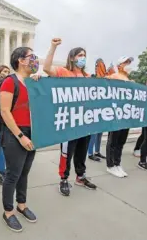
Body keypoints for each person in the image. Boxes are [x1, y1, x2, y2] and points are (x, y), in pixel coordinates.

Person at [43, 38, 97, 196]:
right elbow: (46, 68)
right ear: (72, 57)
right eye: (80, 55)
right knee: (67, 152)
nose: (83, 57)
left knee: (82, 151)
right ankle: (64, 179)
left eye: (84, 55)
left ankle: (80, 176)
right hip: (69, 122)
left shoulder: (87, 77)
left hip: (85, 121)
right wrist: (53, 46)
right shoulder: (63, 72)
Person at [0, 47, 39, 232]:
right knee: (12, 174)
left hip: (32, 132)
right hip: (15, 133)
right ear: (20, 60)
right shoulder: (9, 82)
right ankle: (8, 211)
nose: (34, 60)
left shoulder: (32, 82)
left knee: (24, 172)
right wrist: (21, 136)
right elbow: (5, 112)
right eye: (31, 57)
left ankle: (21, 205)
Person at [105, 56, 134, 178]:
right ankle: (110, 165)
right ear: (119, 65)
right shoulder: (113, 77)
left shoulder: (128, 79)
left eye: (129, 62)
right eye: (126, 62)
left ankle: (117, 163)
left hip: (126, 114)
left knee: (121, 141)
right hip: (115, 114)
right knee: (113, 141)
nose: (128, 64)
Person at [87, 58, 107, 162]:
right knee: (93, 134)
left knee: (100, 133)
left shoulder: (106, 81)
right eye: (99, 65)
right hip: (93, 111)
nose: (100, 67)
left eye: (102, 65)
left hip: (103, 111)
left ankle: (97, 151)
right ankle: (90, 153)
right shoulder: (92, 79)